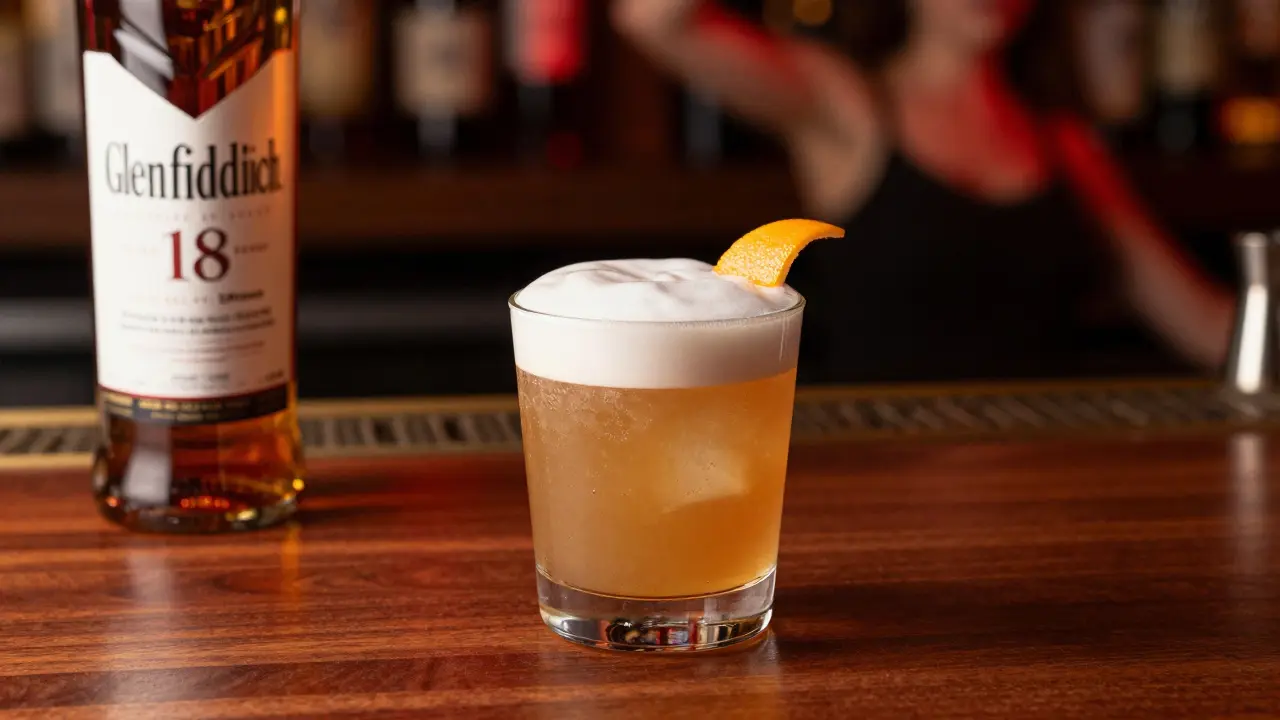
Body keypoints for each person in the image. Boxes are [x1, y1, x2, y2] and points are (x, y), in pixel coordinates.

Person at [614, 0, 1235, 383]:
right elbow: (652, 19)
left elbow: (1206, 324)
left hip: (1042, 477)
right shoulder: (849, 106)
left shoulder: (1063, 141)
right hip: (886, 475)